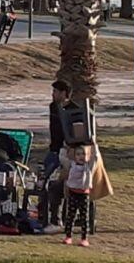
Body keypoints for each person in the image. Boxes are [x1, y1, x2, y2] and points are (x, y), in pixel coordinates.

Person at [42, 80, 78, 231]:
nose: (53, 94)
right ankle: (45, 215)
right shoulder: (53, 107)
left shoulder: (75, 110)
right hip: (54, 150)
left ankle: (65, 218)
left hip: (68, 152)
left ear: (64, 93)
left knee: (65, 185)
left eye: (56, 92)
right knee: (43, 181)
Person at [60, 140, 100, 247]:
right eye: (78, 154)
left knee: (84, 217)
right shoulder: (71, 165)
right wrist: (64, 147)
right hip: (73, 193)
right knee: (70, 216)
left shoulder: (89, 166)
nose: (81, 156)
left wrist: (94, 145)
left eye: (83, 154)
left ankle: (84, 238)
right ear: (74, 156)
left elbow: (95, 157)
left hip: (84, 194)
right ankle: (68, 237)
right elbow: (62, 158)